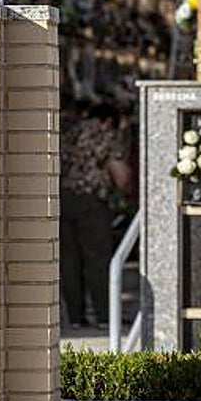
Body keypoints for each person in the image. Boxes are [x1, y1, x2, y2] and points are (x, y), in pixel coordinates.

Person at [60, 103, 131, 328]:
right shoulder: (105, 135)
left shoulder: (68, 132)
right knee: (97, 261)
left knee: (69, 262)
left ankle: (75, 318)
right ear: (108, 120)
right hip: (91, 201)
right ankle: (104, 317)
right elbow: (120, 174)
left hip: (63, 199)